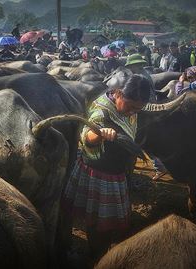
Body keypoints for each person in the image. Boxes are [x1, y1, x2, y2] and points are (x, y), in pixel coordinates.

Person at [62, 74, 151, 260]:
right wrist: (100, 133)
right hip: (99, 175)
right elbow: (86, 136)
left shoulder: (127, 108)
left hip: (115, 173)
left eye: (138, 109)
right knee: (96, 222)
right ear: (118, 93)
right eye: (131, 106)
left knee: (104, 223)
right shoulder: (101, 112)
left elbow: (131, 116)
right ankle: (96, 256)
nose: (132, 112)